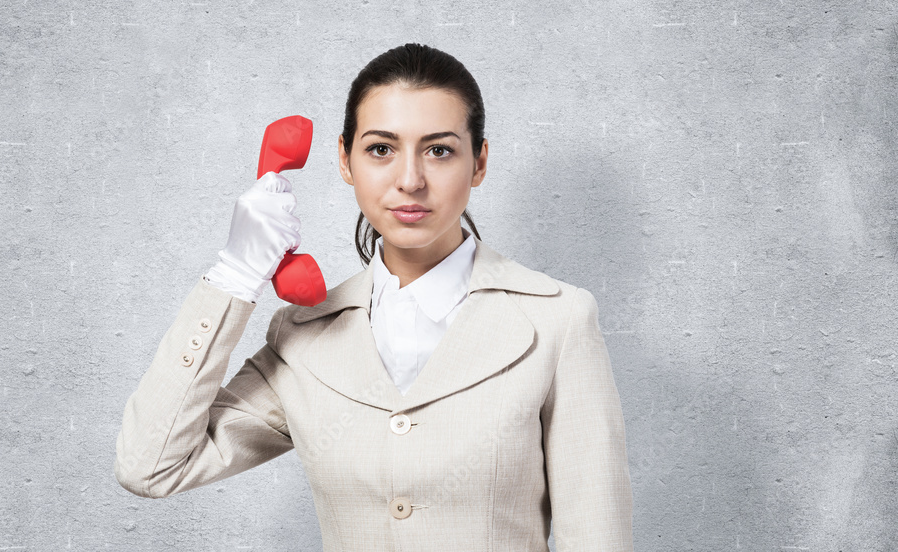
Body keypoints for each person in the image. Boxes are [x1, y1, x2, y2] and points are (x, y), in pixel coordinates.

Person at [114, 43, 633, 551]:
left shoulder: (557, 321)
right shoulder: (304, 338)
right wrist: (233, 276)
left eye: (439, 150)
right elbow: (151, 465)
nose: (410, 180)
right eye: (381, 149)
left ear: (478, 162)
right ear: (345, 160)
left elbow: (597, 536)